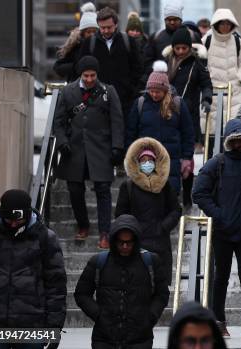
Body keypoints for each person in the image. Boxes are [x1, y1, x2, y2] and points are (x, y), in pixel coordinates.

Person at [193, 118, 241, 339]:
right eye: (238, 140)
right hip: (222, 230)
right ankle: (218, 321)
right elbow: (198, 193)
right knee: (220, 276)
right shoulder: (217, 163)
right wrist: (219, 214)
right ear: (231, 141)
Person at [53, 56, 124, 248]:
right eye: (86, 76)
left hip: (100, 148)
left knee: (103, 190)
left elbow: (117, 121)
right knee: (75, 190)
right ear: (80, 74)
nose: (90, 79)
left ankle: (105, 232)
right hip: (74, 149)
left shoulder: (108, 91)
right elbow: (58, 122)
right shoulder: (68, 92)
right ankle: (82, 225)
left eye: (93, 75)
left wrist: (117, 147)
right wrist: (62, 142)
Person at [0, 190, 67, 349]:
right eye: (9, 219)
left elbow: (56, 287)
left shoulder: (45, 238)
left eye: (19, 220)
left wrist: (54, 330)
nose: (14, 224)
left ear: (28, 214)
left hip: (32, 325)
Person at [75, 214, 170, 349]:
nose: (125, 246)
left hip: (140, 338)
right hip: (105, 338)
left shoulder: (151, 262)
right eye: (121, 242)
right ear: (114, 241)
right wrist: (98, 315)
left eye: (129, 242)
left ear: (135, 241)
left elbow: (162, 294)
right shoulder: (99, 262)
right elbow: (81, 294)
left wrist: (150, 317)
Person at [115, 137, 182, 284]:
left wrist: (163, 226)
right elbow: (120, 215)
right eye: (143, 160)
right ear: (137, 163)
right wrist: (131, 230)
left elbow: (176, 210)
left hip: (160, 242)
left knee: (159, 285)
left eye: (150, 160)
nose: (147, 164)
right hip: (136, 243)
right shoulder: (128, 186)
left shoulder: (164, 185)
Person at [125, 60, 195, 195]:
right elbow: (131, 133)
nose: (154, 94)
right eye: (151, 91)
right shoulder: (140, 104)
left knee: (170, 197)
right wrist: (130, 156)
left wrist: (187, 158)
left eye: (158, 91)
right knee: (147, 196)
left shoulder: (177, 104)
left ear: (165, 90)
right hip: (145, 159)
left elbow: (188, 133)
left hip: (171, 161)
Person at [164, 26, 213, 206]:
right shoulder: (165, 63)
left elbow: (207, 84)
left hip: (188, 116)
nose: (181, 51)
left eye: (184, 48)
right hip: (166, 115)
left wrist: (207, 99)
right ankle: (169, 197)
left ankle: (186, 199)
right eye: (178, 48)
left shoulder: (197, 64)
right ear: (173, 48)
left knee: (187, 157)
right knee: (167, 154)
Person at [79, 6, 143, 119]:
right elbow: (80, 69)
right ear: (98, 25)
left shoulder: (128, 41)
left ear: (116, 24)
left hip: (124, 102)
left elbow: (138, 69)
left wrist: (132, 91)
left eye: (109, 27)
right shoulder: (89, 43)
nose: (106, 31)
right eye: (102, 28)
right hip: (97, 102)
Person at [203, 8, 241, 119]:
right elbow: (200, 62)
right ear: (217, 24)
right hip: (212, 89)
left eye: (228, 24)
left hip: (233, 91)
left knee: (231, 124)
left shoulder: (236, 40)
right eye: (223, 23)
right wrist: (206, 79)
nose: (226, 26)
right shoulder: (207, 39)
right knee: (211, 126)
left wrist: (239, 78)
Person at [53, 2, 98, 82]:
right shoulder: (75, 45)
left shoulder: (102, 45)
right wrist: (75, 67)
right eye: (89, 32)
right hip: (76, 89)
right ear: (83, 33)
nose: (92, 34)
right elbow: (57, 67)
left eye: (94, 31)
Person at [143, 1, 184, 71]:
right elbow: (147, 61)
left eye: (175, 19)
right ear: (165, 20)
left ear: (180, 20)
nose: (172, 22)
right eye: (169, 19)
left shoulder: (191, 36)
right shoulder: (156, 37)